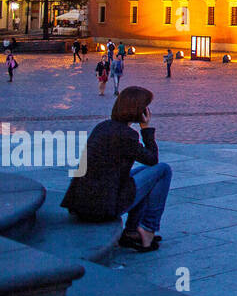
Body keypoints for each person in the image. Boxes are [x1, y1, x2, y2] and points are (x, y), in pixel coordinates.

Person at [61, 85, 172, 253]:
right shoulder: (125, 135)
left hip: (86, 200)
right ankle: (148, 228)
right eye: (146, 107)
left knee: (146, 173)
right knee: (163, 170)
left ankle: (132, 231)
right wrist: (146, 129)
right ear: (139, 110)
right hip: (102, 205)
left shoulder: (104, 127)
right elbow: (152, 159)